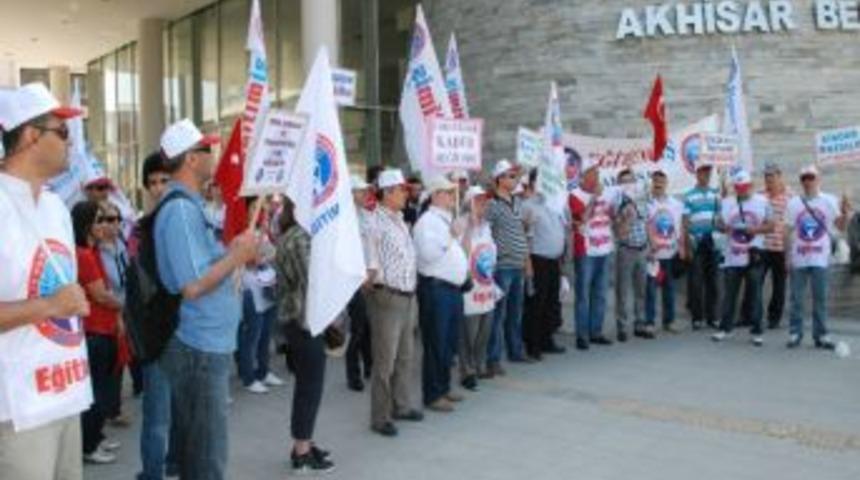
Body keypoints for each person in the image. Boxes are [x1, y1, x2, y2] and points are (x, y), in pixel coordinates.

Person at [154, 118, 260, 479]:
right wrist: (237, 256)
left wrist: (233, 251)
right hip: (198, 345)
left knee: (197, 449)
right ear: (190, 160)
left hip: (204, 342)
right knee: (207, 455)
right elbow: (193, 285)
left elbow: (201, 267)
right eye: (207, 149)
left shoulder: (189, 206)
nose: (214, 156)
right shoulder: (181, 210)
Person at [0, 83, 92, 480]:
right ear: (30, 135)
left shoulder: (56, 206)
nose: (70, 142)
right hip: (20, 409)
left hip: (68, 393)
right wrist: (52, 306)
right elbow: (55, 300)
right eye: (63, 132)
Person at [273, 197, 335, 474]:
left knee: (308, 386)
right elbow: (313, 280)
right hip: (303, 320)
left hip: (302, 319)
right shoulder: (299, 238)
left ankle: (304, 442)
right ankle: (301, 451)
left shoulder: (297, 234)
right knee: (310, 387)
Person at [364, 169, 422, 437]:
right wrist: (374, 282)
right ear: (387, 193)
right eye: (401, 190)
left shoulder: (399, 219)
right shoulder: (374, 222)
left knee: (406, 356)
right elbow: (371, 261)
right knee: (385, 360)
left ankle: (401, 405)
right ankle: (380, 416)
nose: (406, 194)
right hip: (387, 296)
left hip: (408, 295)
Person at [136, 152, 180, 480]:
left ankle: (176, 467)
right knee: (157, 419)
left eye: (164, 180)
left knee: (183, 416)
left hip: (188, 333)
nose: (158, 187)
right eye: (152, 182)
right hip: (158, 339)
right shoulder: (140, 231)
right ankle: (152, 473)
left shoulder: (188, 218)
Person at [72, 201, 124, 464]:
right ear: (87, 225)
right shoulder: (84, 254)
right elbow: (101, 295)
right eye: (100, 220)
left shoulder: (92, 251)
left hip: (103, 328)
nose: (106, 225)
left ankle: (95, 437)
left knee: (102, 390)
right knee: (96, 394)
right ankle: (89, 445)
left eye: (108, 219)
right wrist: (126, 305)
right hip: (95, 331)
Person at [414, 176, 469, 413]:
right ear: (436, 195)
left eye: (452, 192)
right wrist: (451, 236)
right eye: (447, 192)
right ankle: (433, 394)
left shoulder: (445, 220)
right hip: (436, 289)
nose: (451, 196)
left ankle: (443, 387)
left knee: (448, 343)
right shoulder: (427, 222)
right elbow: (427, 254)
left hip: (451, 290)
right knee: (436, 343)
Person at [784, 165, 851, 349]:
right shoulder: (794, 203)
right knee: (796, 298)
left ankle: (821, 335)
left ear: (818, 179)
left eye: (811, 177)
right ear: (801, 181)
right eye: (804, 178)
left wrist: (845, 213)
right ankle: (795, 332)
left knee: (820, 298)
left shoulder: (830, 200)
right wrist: (787, 256)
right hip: (799, 257)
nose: (808, 181)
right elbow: (787, 230)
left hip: (821, 258)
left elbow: (841, 227)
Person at [711, 170, 774, 346]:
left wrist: (755, 231)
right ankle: (725, 328)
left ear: (751, 185)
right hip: (732, 255)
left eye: (745, 187)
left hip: (754, 254)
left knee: (755, 294)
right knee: (729, 294)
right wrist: (725, 227)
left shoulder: (762, 202)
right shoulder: (727, 202)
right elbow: (717, 224)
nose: (742, 191)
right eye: (738, 187)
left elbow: (772, 225)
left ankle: (757, 331)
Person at [485, 159, 532, 373]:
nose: (515, 180)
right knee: (498, 314)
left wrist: (526, 261)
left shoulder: (517, 202)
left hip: (518, 264)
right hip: (502, 266)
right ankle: (493, 358)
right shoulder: (492, 205)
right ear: (500, 179)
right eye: (510, 176)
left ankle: (516, 350)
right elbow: (486, 233)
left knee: (516, 312)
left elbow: (522, 232)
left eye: (515, 177)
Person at [569, 161, 621, 349]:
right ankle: (582, 335)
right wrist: (593, 198)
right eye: (592, 174)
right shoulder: (574, 195)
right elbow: (582, 218)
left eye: (597, 174)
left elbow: (611, 217)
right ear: (583, 177)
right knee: (583, 294)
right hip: (586, 251)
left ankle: (596, 331)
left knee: (600, 293)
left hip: (604, 248)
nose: (596, 178)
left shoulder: (606, 194)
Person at [522, 168, 568, 358]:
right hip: (537, 260)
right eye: (543, 180)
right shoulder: (528, 206)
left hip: (554, 260)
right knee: (536, 304)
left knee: (551, 302)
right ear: (533, 184)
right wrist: (528, 264)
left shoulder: (556, 204)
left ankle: (547, 340)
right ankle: (533, 345)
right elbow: (524, 236)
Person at [238, 198, 282, 394]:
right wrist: (262, 252)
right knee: (252, 336)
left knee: (266, 334)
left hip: (267, 286)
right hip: (250, 289)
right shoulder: (242, 234)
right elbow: (251, 261)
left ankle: (263, 372)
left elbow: (273, 253)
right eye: (254, 207)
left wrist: (265, 242)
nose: (259, 211)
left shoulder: (263, 232)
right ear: (246, 210)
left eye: (261, 208)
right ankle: (248, 377)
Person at [96, 200, 132, 427]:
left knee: (120, 362)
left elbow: (126, 276)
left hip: (124, 306)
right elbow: (105, 286)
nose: (114, 224)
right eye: (108, 219)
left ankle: (114, 409)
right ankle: (103, 416)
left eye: (117, 219)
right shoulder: (95, 250)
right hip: (106, 312)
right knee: (106, 366)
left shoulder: (120, 245)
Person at [459, 186, 496, 389]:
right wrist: (469, 228)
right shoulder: (461, 224)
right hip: (470, 288)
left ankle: (479, 364)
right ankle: (467, 371)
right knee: (468, 334)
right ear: (469, 203)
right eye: (479, 200)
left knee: (484, 331)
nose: (484, 204)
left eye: (485, 201)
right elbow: (461, 254)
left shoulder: (487, 226)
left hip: (486, 286)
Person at [640, 169, 684, 338]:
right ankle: (650, 322)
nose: (658, 185)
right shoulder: (647, 205)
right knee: (651, 290)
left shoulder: (675, 204)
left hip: (670, 254)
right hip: (653, 256)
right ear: (652, 183)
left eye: (661, 182)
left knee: (669, 289)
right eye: (655, 182)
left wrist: (681, 247)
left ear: (666, 184)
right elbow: (643, 226)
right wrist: (649, 248)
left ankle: (669, 321)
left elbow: (679, 226)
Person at [682, 162, 721, 330]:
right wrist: (687, 246)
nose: (706, 175)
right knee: (696, 282)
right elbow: (684, 222)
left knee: (713, 281)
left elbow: (720, 217)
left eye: (708, 173)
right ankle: (697, 318)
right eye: (703, 172)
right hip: (696, 242)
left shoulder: (715, 194)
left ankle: (712, 317)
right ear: (697, 174)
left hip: (712, 241)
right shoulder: (689, 195)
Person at [613, 169, 648, 342]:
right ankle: (622, 327)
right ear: (619, 185)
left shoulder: (641, 201)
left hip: (642, 249)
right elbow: (619, 232)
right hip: (626, 250)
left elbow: (646, 223)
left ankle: (640, 324)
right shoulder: (617, 203)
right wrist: (626, 218)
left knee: (641, 290)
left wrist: (652, 246)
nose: (628, 184)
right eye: (624, 181)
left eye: (631, 180)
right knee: (623, 291)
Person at [345, 175, 373, 392]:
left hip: (369, 277)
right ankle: (353, 373)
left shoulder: (366, 215)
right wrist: (359, 275)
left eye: (365, 191)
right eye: (360, 191)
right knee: (357, 328)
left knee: (368, 325)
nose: (364, 194)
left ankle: (369, 364)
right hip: (353, 280)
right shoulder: (343, 220)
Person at [759, 162, 792, 329]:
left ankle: (774, 318)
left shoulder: (790, 197)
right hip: (762, 247)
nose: (769, 179)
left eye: (772, 175)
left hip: (780, 248)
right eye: (766, 176)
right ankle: (750, 315)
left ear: (780, 176)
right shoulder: (759, 196)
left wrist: (790, 253)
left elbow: (793, 225)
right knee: (755, 282)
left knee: (779, 286)